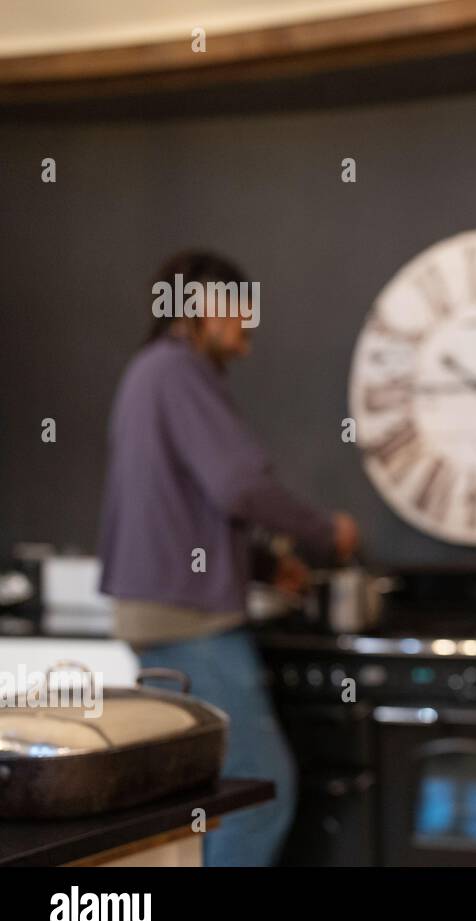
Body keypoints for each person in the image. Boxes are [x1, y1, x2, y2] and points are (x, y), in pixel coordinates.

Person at [97, 250, 359, 866]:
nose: (247, 331)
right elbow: (238, 485)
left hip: (159, 617)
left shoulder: (148, 374)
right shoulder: (177, 372)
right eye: (242, 311)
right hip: (191, 623)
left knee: (207, 802)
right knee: (259, 795)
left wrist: (267, 566)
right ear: (203, 310)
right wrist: (327, 534)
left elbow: (187, 500)